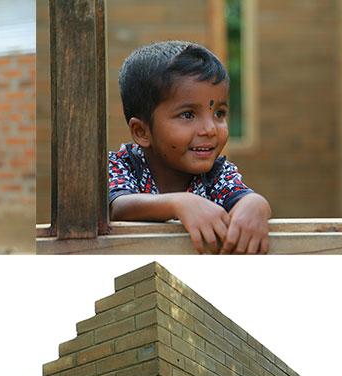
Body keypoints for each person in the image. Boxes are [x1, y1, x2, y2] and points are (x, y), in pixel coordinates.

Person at [108, 41, 270, 254]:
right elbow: (118, 207)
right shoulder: (122, 164)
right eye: (188, 115)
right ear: (141, 132)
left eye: (219, 113)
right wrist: (180, 203)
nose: (210, 129)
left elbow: (241, 196)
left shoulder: (216, 173)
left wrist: (256, 204)